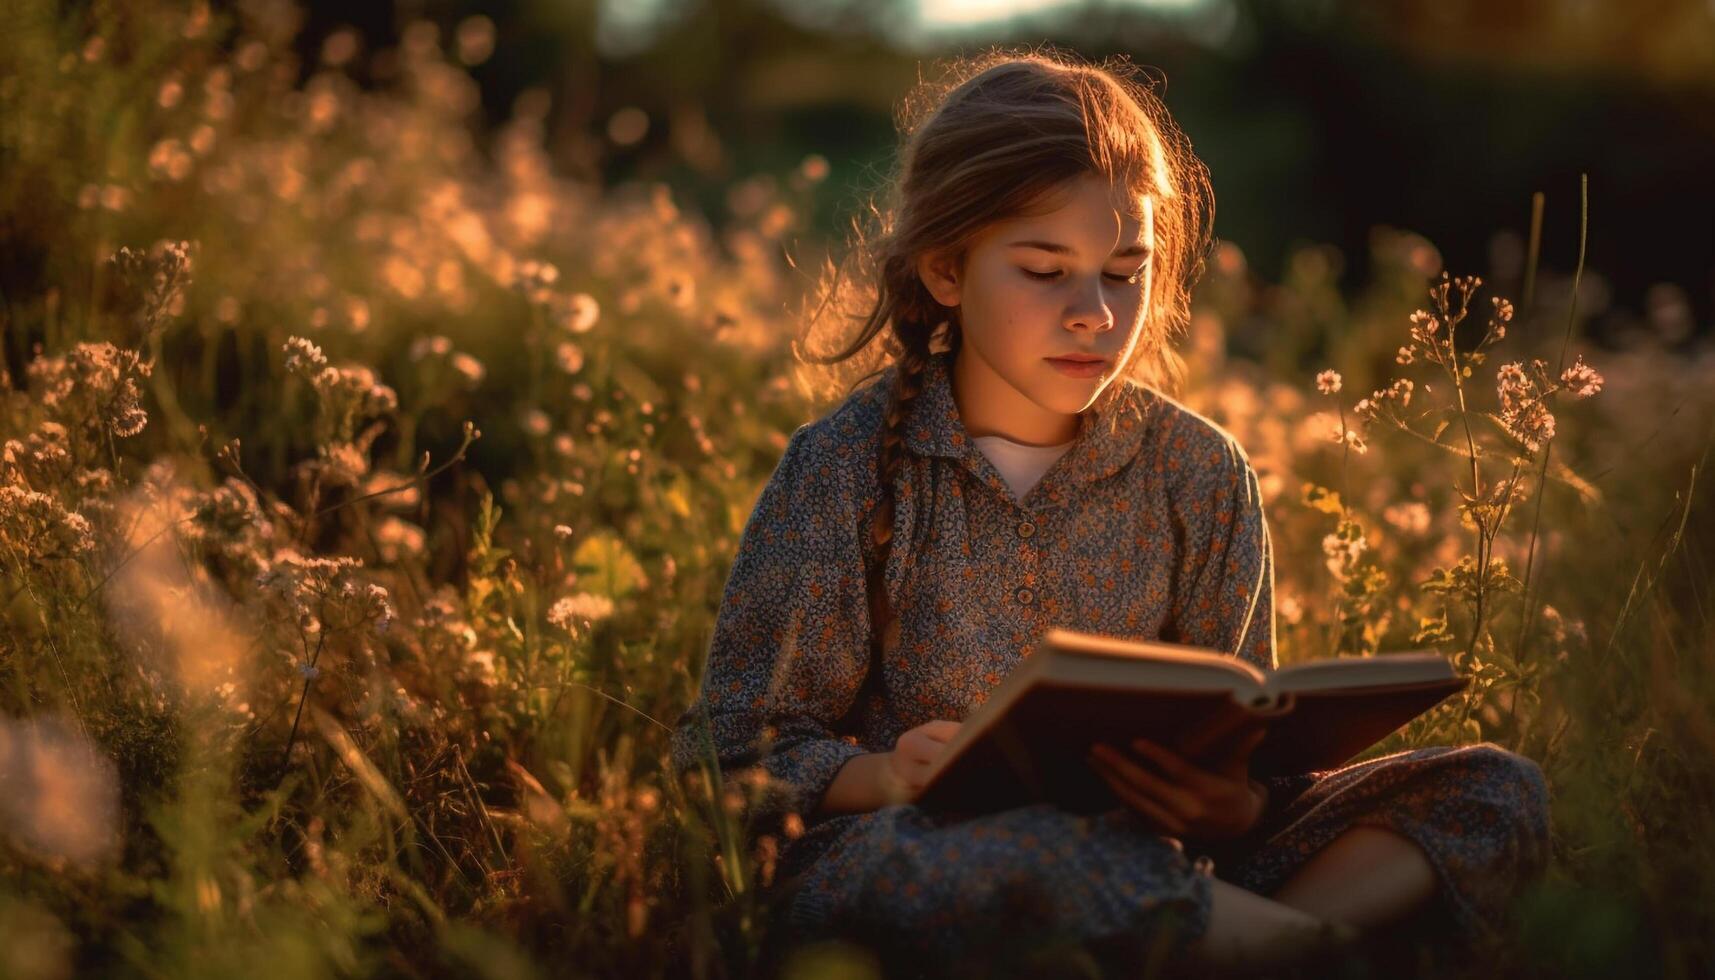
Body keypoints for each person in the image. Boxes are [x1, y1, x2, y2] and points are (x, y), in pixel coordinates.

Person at [669, 49, 1551, 978]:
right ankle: (1299, 952)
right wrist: (884, 774)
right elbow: (729, 757)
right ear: (944, 269)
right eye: (1045, 271)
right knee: (1038, 858)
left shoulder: (1200, 470)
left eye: (1124, 272)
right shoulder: (841, 467)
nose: (1093, 312)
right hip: (922, 854)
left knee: (1491, 789)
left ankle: (1219, 945)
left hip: (1170, 852)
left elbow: (1246, 739)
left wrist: (1234, 809)